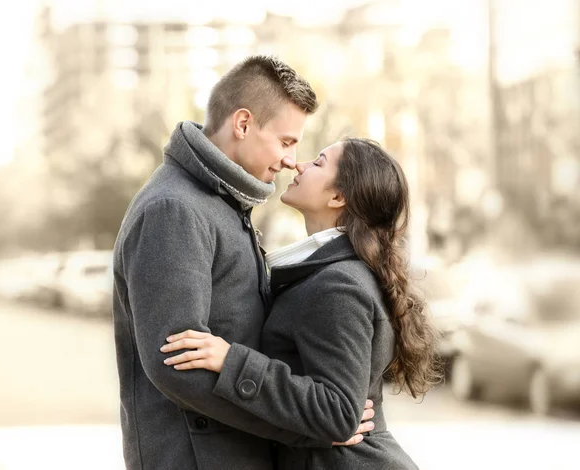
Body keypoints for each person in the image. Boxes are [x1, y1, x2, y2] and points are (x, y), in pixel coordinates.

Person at [112, 56, 372, 470]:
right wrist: (311, 427)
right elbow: (176, 365)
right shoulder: (174, 208)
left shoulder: (221, 203)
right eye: (286, 142)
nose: (291, 160)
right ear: (244, 123)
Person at [161, 138, 442, 469]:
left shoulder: (337, 286)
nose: (298, 164)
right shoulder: (329, 273)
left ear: (338, 197)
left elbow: (339, 414)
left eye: (318, 163)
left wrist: (231, 361)